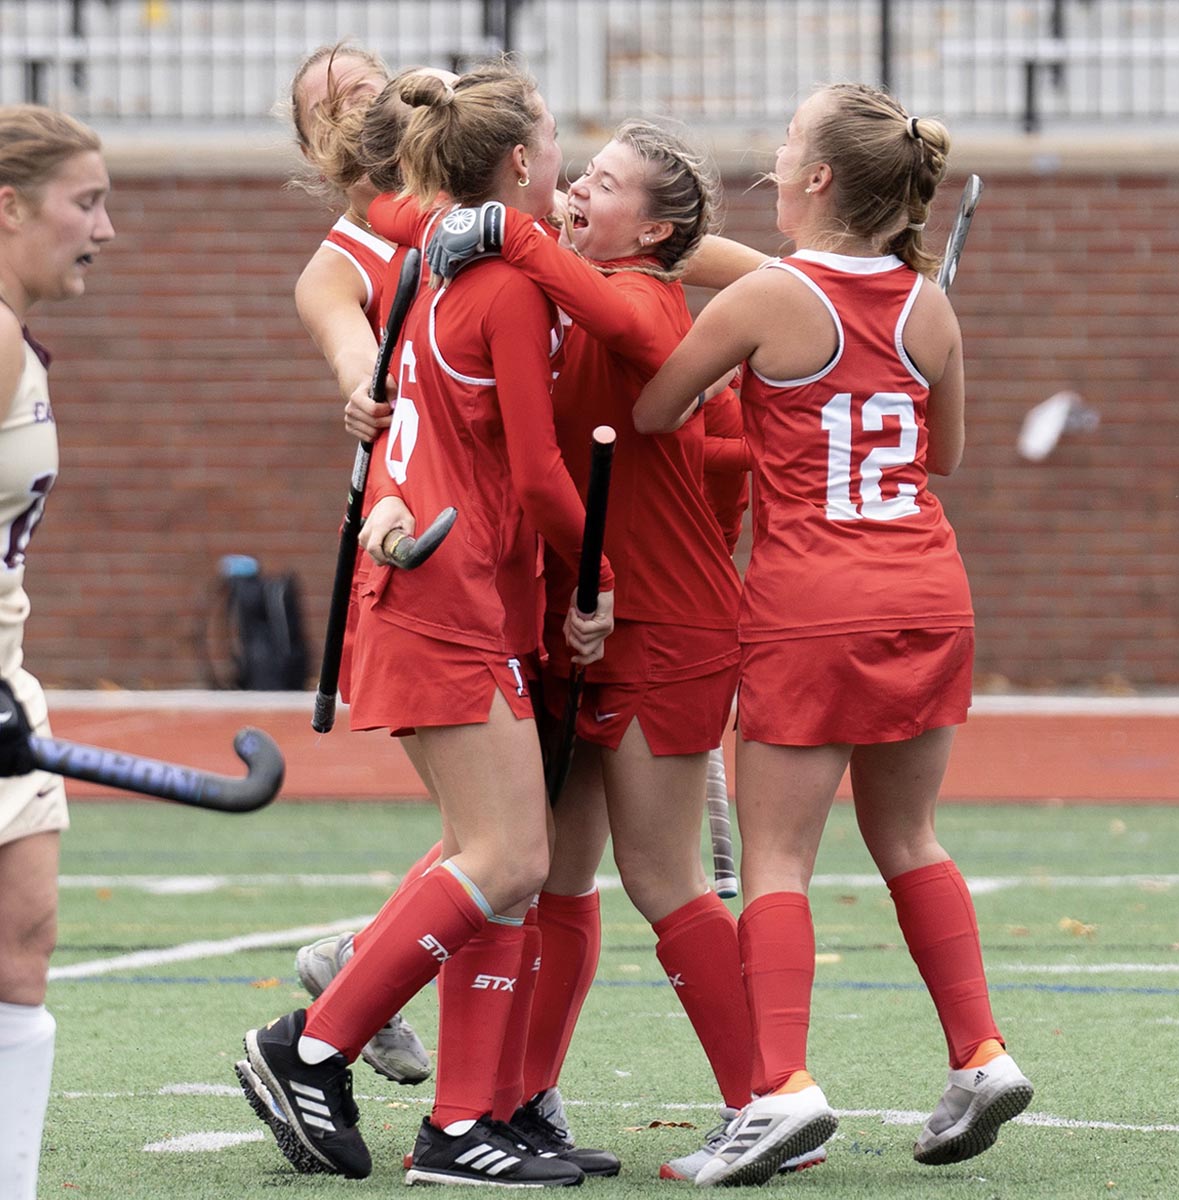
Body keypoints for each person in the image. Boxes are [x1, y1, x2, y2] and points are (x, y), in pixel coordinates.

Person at [633, 83, 1033, 1184]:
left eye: (785, 145)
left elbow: (658, 409)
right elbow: (941, 455)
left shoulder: (770, 300)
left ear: (816, 180)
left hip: (814, 600)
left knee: (775, 860)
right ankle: (979, 1053)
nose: (770, 157)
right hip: (925, 590)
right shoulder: (927, 306)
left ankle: (782, 1088)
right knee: (910, 840)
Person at [417, 119, 826, 1182]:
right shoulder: (555, 289)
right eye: (581, 175)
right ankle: (516, 1102)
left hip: (666, 622)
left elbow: (610, 307)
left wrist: (504, 227)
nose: (580, 192)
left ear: (657, 229)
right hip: (589, 620)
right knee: (557, 875)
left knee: (665, 875)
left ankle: (767, 1099)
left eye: (605, 183)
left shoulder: (644, 298)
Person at [236, 60, 615, 1188]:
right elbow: (542, 474)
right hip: (439, 589)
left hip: (462, 587)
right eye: (552, 144)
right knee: (510, 854)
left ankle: (465, 1122)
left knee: (500, 859)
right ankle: (310, 1042)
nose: (568, 167)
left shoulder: (441, 247)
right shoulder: (477, 274)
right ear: (512, 163)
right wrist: (609, 577)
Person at [278, 41, 453, 1090]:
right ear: (314, 143)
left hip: (535, 542)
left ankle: (358, 966)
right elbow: (354, 354)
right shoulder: (340, 262)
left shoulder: (468, 203)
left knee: (531, 840)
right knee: (508, 841)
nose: (360, 106)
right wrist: (360, 389)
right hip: (427, 548)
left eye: (370, 87)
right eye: (331, 103)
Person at [0, 104, 115, 1200]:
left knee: (21, 946)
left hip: (3, 681)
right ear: (9, 207)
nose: (106, 227)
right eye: (86, 202)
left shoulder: (15, 336)